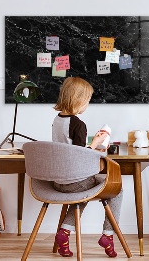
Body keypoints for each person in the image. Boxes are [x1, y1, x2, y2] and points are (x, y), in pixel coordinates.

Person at [52, 77, 122, 258]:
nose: (87, 104)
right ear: (79, 100)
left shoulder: (57, 120)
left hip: (58, 181)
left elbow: (69, 149)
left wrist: (91, 144)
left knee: (82, 192)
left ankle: (64, 233)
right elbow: (80, 156)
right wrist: (97, 143)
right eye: (88, 100)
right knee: (117, 189)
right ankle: (108, 235)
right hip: (75, 181)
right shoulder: (78, 124)